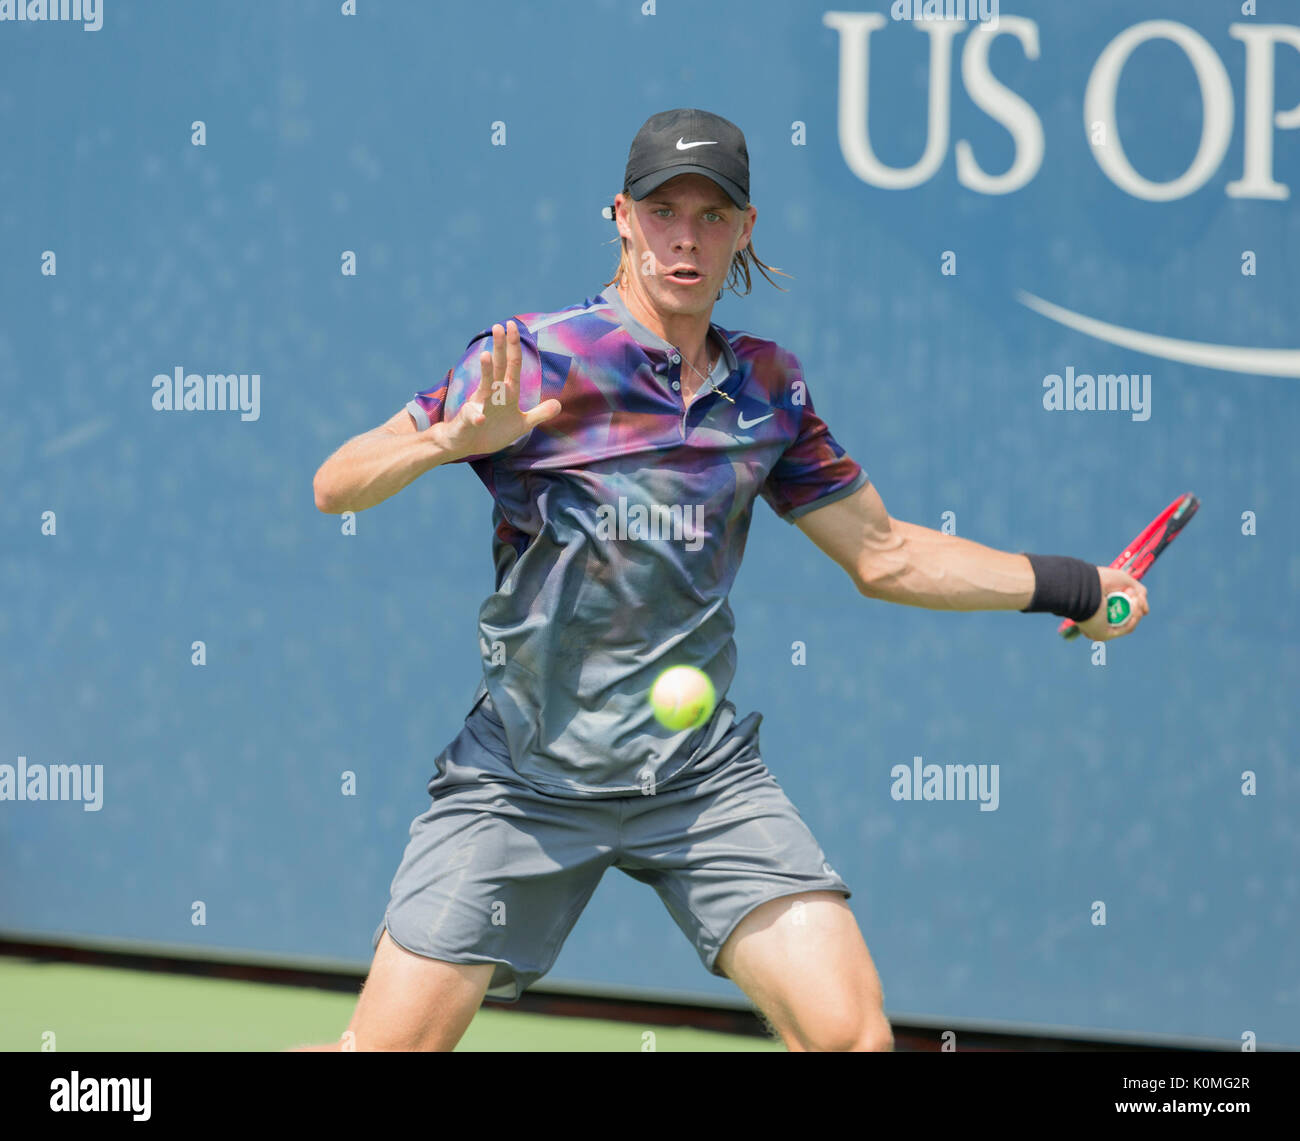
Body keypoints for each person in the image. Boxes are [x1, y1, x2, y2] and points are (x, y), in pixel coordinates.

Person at [303, 108, 1148, 1052]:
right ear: (621, 216)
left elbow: (886, 554)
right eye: (665, 210)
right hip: (524, 775)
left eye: (714, 215)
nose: (687, 237)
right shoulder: (534, 358)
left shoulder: (767, 388)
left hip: (697, 779)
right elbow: (335, 482)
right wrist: (447, 442)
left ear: (746, 229)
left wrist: (1075, 584)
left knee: (852, 1038)